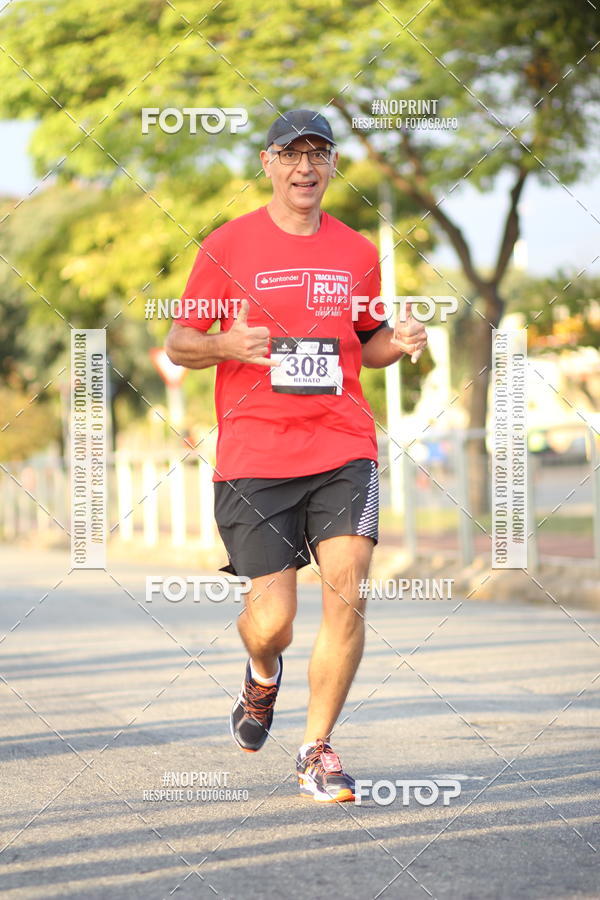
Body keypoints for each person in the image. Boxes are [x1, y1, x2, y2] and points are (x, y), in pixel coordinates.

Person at [166, 109, 427, 803]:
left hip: (343, 445)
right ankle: (262, 673)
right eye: (291, 154)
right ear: (268, 163)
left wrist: (399, 341)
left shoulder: (357, 251)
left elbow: (366, 343)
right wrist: (225, 345)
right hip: (255, 455)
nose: (305, 167)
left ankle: (316, 749)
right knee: (273, 622)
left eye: (318, 154)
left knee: (348, 591)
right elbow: (180, 343)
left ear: (333, 164)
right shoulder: (228, 244)